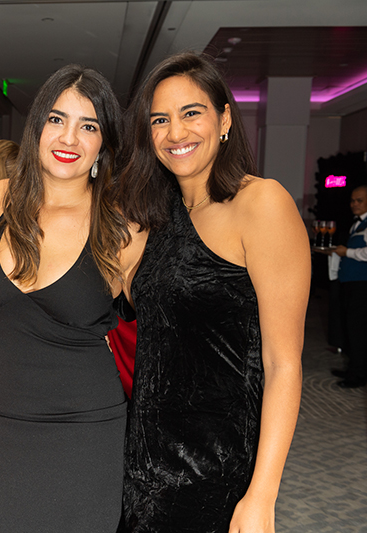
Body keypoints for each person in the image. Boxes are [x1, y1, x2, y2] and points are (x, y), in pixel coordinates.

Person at [117, 52, 309, 533]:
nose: (175, 132)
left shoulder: (261, 203)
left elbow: (283, 365)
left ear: (224, 120)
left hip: (219, 473)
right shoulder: (152, 218)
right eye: (160, 120)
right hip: (143, 467)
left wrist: (262, 495)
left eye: (191, 113)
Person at [0, 64, 144, 532]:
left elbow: (169, 327)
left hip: (85, 434)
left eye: (89, 126)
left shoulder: (122, 226)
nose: (69, 138)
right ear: (37, 126)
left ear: (104, 143)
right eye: (57, 119)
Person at [329, 185, 367, 387]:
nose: (354, 204)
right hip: (351, 283)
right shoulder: (356, 224)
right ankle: (354, 368)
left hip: (362, 284)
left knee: (357, 329)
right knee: (351, 328)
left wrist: (347, 253)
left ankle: (357, 375)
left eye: (359, 200)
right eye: (352, 200)